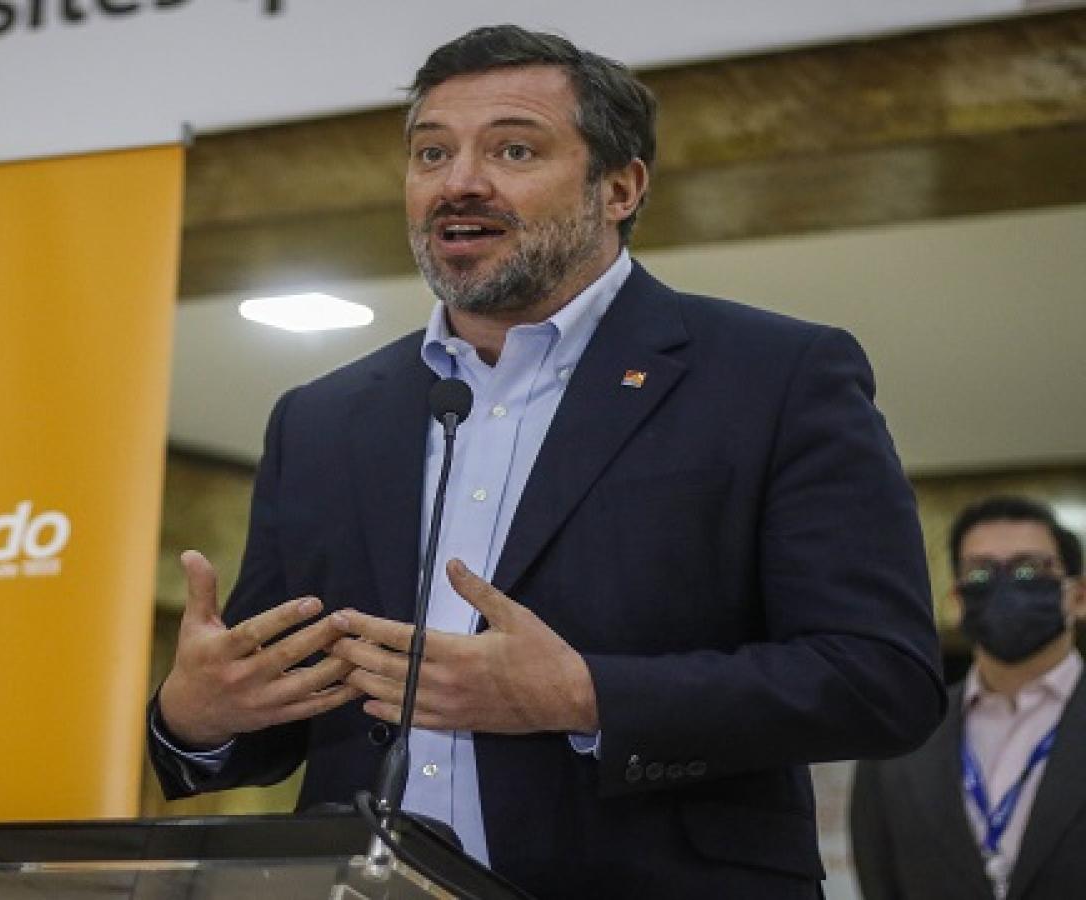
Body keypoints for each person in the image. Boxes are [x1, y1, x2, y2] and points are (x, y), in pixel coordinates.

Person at [148, 24, 945, 899]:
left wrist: (585, 695)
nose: (458, 182)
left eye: (514, 149)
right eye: (431, 153)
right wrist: (197, 717)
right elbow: (276, 713)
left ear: (619, 187)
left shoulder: (774, 377)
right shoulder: (322, 419)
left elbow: (882, 679)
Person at [851, 496, 1086, 900]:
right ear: (958, 600)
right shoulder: (900, 741)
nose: (1005, 586)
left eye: (1029, 569)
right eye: (981, 572)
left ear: (1078, 596)